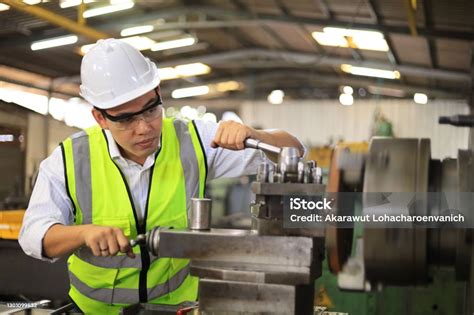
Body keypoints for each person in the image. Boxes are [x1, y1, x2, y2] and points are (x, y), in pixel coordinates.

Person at [19, 38, 304, 314]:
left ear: (157, 91)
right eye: (127, 118)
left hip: (176, 307)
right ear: (100, 118)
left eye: (151, 109)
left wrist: (257, 135)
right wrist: (83, 233)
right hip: (96, 310)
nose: (144, 128)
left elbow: (295, 149)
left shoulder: (194, 140)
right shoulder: (70, 158)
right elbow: (33, 236)